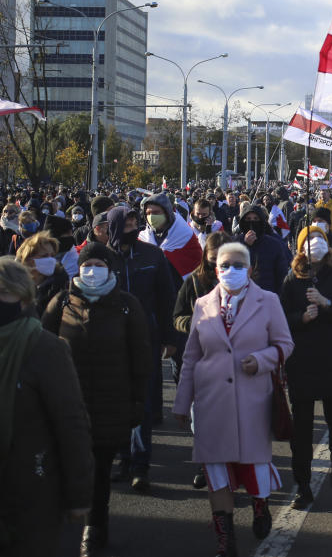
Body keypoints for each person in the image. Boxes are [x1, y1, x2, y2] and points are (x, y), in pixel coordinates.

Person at [172, 242, 294, 556]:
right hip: (212, 403)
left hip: (252, 402)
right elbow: (191, 358)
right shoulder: (203, 303)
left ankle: (260, 503)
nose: (232, 270)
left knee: (254, 467)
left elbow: (284, 344)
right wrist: (182, 402)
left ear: (251, 269)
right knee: (216, 472)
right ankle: (225, 540)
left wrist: (264, 359)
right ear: (215, 270)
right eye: (225, 265)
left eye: (239, 265)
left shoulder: (268, 301)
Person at [41, 243, 151, 557]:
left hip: (110, 403)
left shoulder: (127, 306)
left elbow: (140, 359)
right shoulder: (61, 302)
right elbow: (41, 347)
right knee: (61, 467)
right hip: (66, 403)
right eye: (87, 264)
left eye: (99, 265)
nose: (92, 270)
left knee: (100, 473)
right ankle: (60, 526)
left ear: (110, 269)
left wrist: (136, 402)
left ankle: (95, 527)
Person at [0, 256, 94, 557]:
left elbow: (71, 424)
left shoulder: (46, 348)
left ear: (24, 298)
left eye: (4, 292)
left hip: (31, 496)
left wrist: (79, 496)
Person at [280, 225, 332, 509]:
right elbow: (282, 315)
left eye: (319, 239)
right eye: (309, 240)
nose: (315, 244)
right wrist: (302, 318)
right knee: (301, 426)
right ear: (300, 248)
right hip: (303, 362)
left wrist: (326, 303)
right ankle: (303, 484)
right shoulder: (292, 279)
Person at [106, 206, 177, 491]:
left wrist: (170, 338)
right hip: (110, 341)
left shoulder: (152, 254)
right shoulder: (103, 259)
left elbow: (166, 298)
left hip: (145, 339)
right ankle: (122, 459)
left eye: (136, 222)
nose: (133, 227)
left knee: (143, 403)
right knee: (115, 404)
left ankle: (140, 465)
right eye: (127, 223)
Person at [172, 231, 228, 490]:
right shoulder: (193, 282)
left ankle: (227, 470)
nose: (218, 265)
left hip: (233, 363)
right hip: (202, 359)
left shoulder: (242, 282)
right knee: (201, 418)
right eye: (213, 259)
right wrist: (195, 322)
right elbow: (178, 316)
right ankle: (206, 466)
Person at [138, 191, 203, 287]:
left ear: (167, 212)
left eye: (156, 212)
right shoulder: (143, 237)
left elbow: (197, 267)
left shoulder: (184, 235)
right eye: (148, 213)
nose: (151, 217)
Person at [236, 205, 292, 294]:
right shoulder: (235, 243)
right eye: (248, 219)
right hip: (241, 296)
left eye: (256, 219)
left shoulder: (273, 244)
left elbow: (282, 275)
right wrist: (245, 245)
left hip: (267, 295)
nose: (252, 222)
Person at [15, 231, 69, 316]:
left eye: (52, 255)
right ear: (28, 259)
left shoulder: (61, 285)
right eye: (44, 256)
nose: (50, 260)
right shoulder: (17, 286)